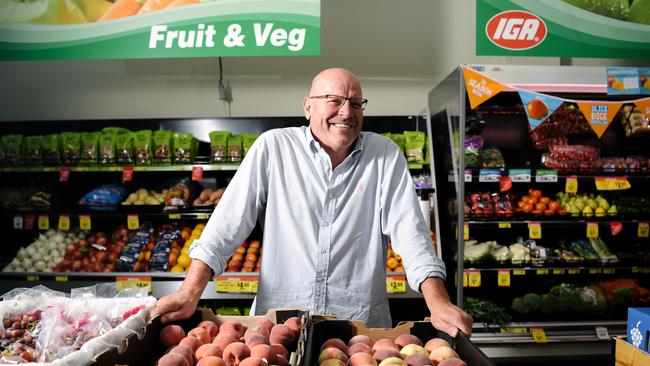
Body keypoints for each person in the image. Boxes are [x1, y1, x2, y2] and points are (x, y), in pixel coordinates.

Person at [152, 67, 472, 336]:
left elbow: (412, 235)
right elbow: (226, 225)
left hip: (358, 329)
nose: (346, 113)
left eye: (356, 103)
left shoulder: (384, 155)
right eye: (334, 101)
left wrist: (438, 301)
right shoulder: (274, 148)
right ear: (308, 107)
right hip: (278, 327)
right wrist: (190, 291)